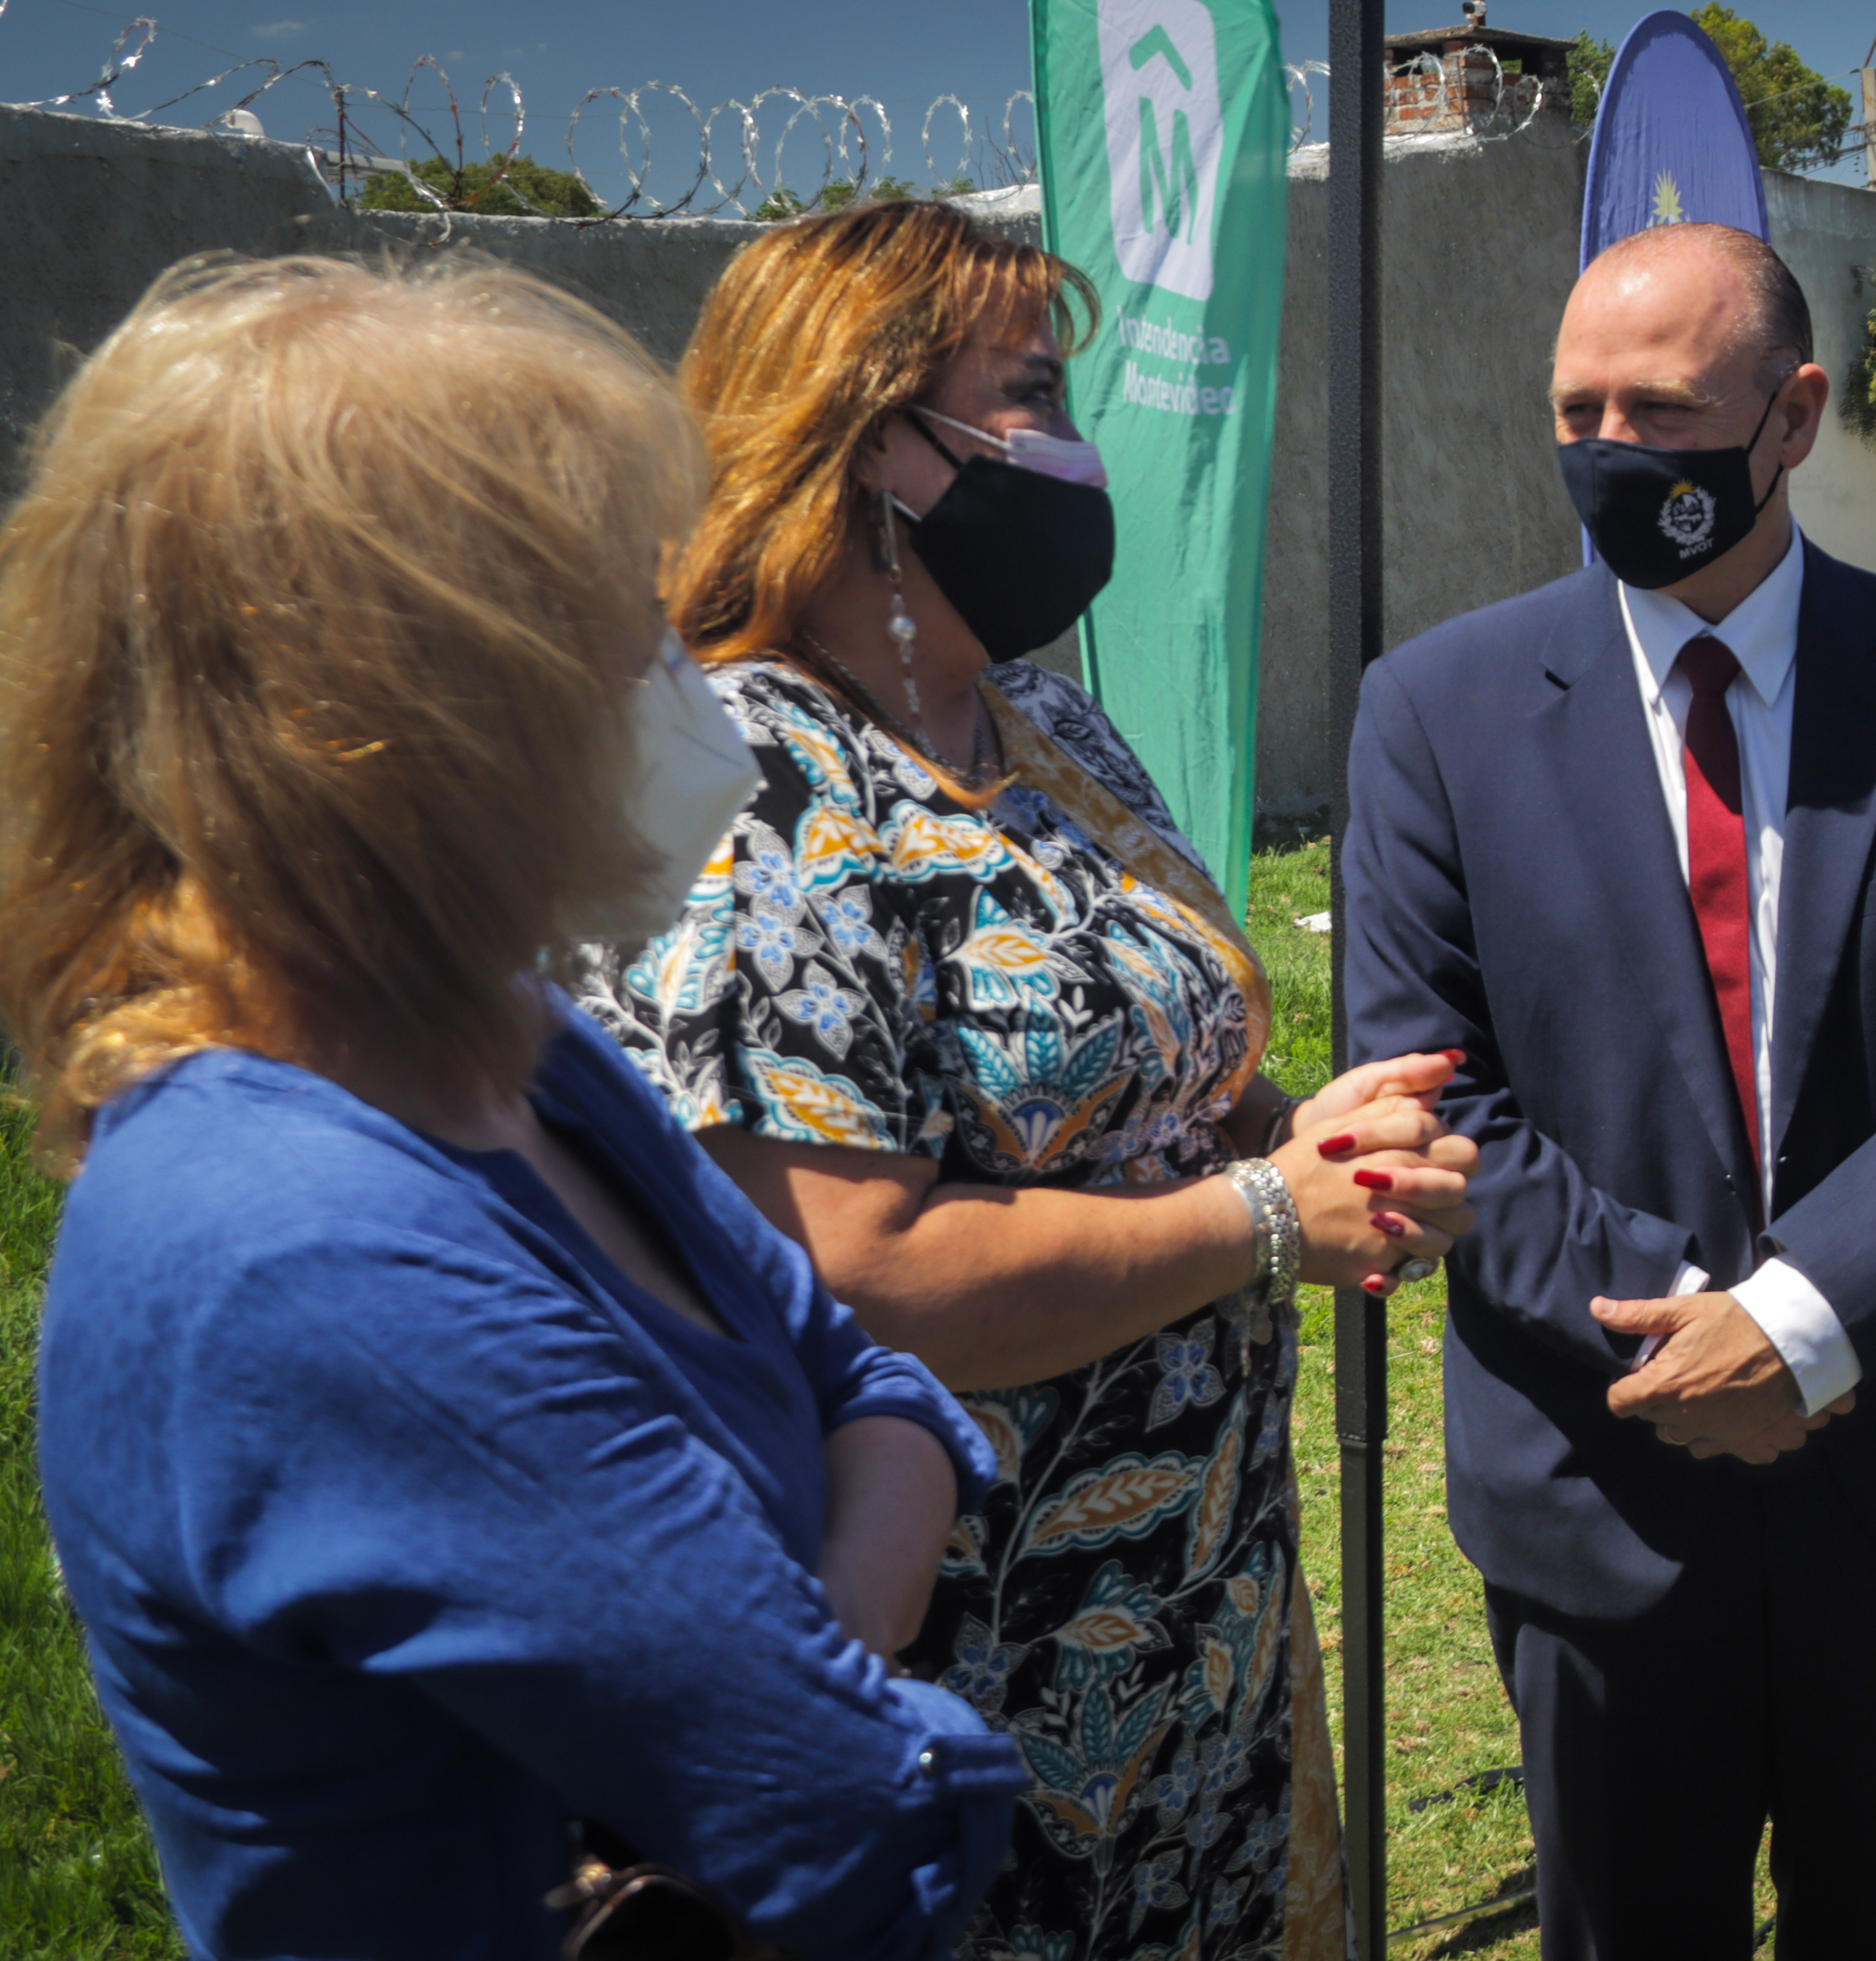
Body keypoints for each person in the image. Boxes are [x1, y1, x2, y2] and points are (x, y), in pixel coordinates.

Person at [0, 254, 1023, 1959]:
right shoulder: (300, 1246)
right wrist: (841, 1678)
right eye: (623, 617)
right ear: (405, 709)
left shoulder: (505, 1038)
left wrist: (799, 1652)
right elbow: (861, 1819)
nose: (680, 672)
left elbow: (879, 1378)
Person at [579, 197, 1471, 1961]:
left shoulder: (1046, 721)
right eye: (1030, 396)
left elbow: (1159, 1071)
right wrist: (1257, 1218)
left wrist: (1295, 1136)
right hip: (966, 1660)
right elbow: (855, 1269)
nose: (1070, 450)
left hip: (1190, 1615)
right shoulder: (743, 780)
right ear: (867, 442)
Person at [1343, 221, 1876, 1959]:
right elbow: (1428, 1094)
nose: (1608, 452)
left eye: (1660, 410)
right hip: (1600, 1481)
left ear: (1793, 413)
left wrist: (1809, 1326)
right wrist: (1700, 1329)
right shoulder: (1433, 713)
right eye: (1573, 410)